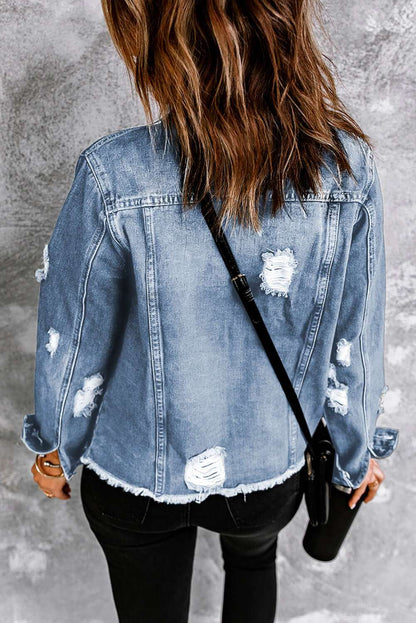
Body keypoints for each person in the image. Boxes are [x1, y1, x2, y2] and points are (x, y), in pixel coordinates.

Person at [21, 1, 399, 622]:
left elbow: (76, 338)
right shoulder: (347, 170)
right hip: (267, 467)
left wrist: (57, 451)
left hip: (136, 472)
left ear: (160, 44)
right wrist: (354, 459)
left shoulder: (114, 174)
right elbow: (353, 343)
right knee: (252, 563)